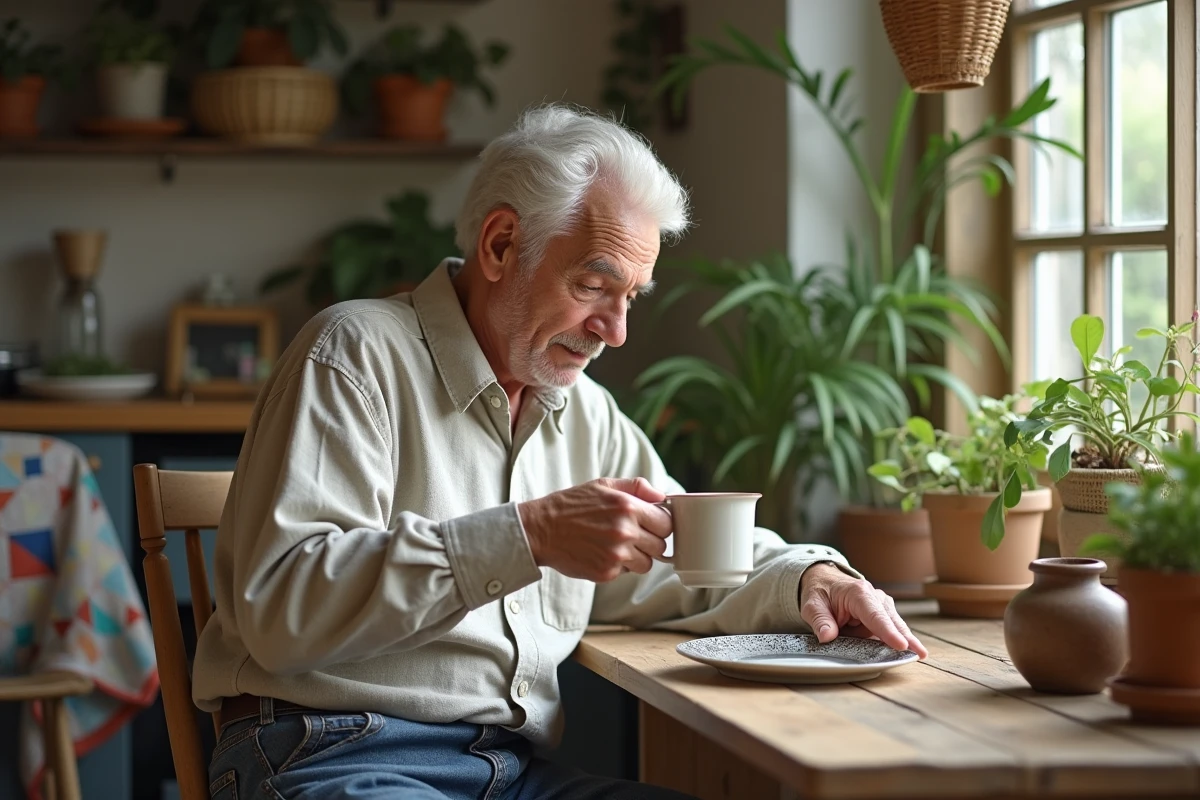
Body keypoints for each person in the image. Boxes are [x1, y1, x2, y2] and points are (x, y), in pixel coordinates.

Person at [193, 105, 928, 800]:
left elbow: (686, 556)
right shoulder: (353, 353)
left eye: (632, 296)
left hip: (509, 773)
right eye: (593, 285)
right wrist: (530, 535)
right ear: (500, 244)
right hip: (329, 752)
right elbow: (279, 606)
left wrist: (810, 578)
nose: (615, 330)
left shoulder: (586, 415)